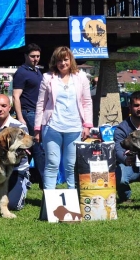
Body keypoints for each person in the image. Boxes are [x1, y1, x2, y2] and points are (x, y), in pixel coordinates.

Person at [34, 46, 92, 190]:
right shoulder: (47, 78)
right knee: (52, 163)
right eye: (59, 60)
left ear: (71, 60)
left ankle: (72, 198)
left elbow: (87, 102)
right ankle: (49, 200)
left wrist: (87, 125)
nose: (63, 63)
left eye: (65, 59)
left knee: (71, 165)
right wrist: (37, 128)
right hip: (52, 126)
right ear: (55, 62)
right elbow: (40, 103)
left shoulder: (81, 77)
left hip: (74, 127)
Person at [11, 43, 44, 188]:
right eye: (32, 56)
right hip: (28, 113)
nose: (35, 59)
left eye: (38, 56)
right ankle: (46, 185)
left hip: (39, 113)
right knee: (38, 148)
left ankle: (18, 179)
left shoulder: (37, 71)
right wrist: (20, 118)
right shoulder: (21, 72)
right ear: (26, 56)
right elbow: (15, 96)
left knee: (27, 149)